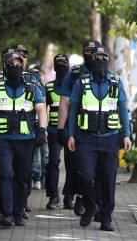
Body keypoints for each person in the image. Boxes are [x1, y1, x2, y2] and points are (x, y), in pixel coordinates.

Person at [0, 50, 47, 227]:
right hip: (3, 140)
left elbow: (41, 109)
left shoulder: (32, 87)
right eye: (11, 64)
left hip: (26, 140)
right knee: (6, 173)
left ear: (23, 67)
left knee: (22, 177)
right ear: (5, 67)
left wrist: (42, 130)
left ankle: (18, 211)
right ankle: (7, 213)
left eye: (18, 64)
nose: (15, 67)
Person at [67, 45, 131, 231]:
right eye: (98, 59)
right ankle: (90, 206)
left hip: (110, 138)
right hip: (86, 138)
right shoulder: (82, 82)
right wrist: (71, 134)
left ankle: (106, 217)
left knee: (108, 178)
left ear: (108, 61)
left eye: (105, 59)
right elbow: (73, 110)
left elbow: (123, 110)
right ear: (91, 62)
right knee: (86, 176)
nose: (101, 62)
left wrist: (126, 134)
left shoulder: (116, 82)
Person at [57, 40, 101, 216]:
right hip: (76, 131)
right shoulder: (73, 75)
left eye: (93, 52)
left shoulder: (107, 74)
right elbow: (64, 104)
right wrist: (61, 129)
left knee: (99, 169)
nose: (90, 56)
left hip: (101, 130)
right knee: (77, 167)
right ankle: (81, 196)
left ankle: (95, 203)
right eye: (87, 52)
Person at [44, 54, 70, 209]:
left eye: (63, 64)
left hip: (71, 131)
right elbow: (42, 110)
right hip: (54, 130)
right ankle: (53, 197)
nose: (61, 67)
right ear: (54, 67)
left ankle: (69, 196)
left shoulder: (74, 85)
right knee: (53, 162)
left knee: (72, 164)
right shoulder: (49, 87)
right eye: (58, 65)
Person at [29, 64, 49, 190]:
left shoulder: (43, 88)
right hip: (32, 126)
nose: (37, 76)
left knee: (46, 155)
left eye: (39, 73)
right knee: (36, 155)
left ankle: (43, 178)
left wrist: (44, 129)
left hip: (43, 126)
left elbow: (45, 109)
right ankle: (36, 178)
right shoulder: (29, 88)